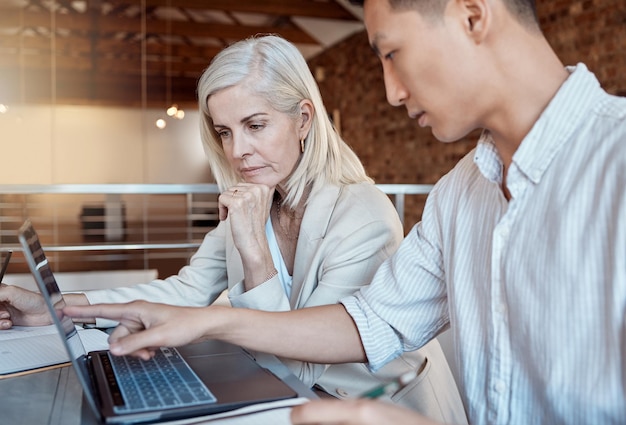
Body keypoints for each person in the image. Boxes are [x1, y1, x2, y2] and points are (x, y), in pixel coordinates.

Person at [55, 0, 626, 423]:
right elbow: (371, 321)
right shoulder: (461, 193)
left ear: (472, 15)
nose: (392, 92)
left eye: (393, 54)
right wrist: (206, 319)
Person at [0, 34, 467, 422]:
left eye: (255, 125)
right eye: (224, 132)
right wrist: (52, 310)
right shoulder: (257, 198)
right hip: (293, 401)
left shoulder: (361, 214)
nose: (237, 150)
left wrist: (255, 255)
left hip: (377, 411)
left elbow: (299, 365)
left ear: (303, 119)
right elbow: (183, 291)